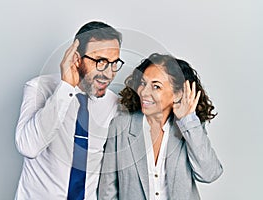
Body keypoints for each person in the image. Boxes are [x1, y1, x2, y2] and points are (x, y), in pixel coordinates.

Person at [14, 21, 124, 200]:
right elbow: (28, 147)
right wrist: (66, 88)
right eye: (101, 62)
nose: (109, 73)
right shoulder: (39, 88)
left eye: (114, 63)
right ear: (76, 58)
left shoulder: (113, 104)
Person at [98, 53, 223, 200]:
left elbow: (209, 174)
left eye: (156, 86)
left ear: (177, 94)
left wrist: (188, 120)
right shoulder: (120, 126)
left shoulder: (190, 129)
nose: (144, 92)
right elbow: (107, 191)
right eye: (143, 83)